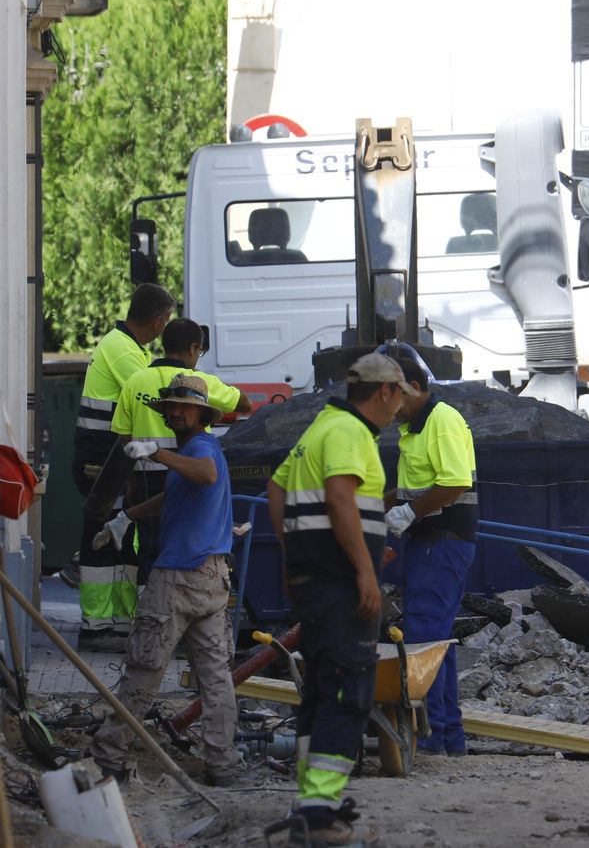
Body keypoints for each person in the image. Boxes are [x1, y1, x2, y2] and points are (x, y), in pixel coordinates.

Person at [266, 353, 417, 845]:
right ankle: (317, 814)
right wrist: (365, 571)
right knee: (348, 691)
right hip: (340, 586)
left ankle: (312, 802)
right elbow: (338, 497)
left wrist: (294, 560)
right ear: (384, 393)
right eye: (399, 397)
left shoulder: (319, 428)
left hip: (315, 581)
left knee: (320, 690)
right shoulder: (350, 434)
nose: (399, 410)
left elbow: (275, 489)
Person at [89, 375, 247, 785]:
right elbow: (178, 492)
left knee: (145, 667)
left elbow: (205, 474)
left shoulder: (201, 448)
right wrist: (129, 516)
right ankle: (223, 763)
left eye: (184, 406)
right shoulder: (192, 452)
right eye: (170, 407)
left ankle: (108, 754)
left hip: (179, 578)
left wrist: (156, 453)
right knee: (215, 679)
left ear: (201, 413)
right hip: (211, 581)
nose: (175, 412)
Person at [106, 318, 252, 588]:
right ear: (194, 348)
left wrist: (132, 484)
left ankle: (150, 605)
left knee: (150, 549)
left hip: (146, 481)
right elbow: (245, 404)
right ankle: (168, 606)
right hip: (190, 477)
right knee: (184, 544)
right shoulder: (200, 382)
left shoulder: (135, 381)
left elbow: (124, 438)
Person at [72, 282, 175, 651]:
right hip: (103, 461)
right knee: (104, 539)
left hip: (110, 460)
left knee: (117, 538)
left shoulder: (124, 346)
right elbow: (152, 395)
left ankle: (112, 623)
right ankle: (98, 626)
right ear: (160, 321)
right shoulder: (124, 351)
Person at [385, 355, 478, 757]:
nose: (391, 406)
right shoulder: (415, 428)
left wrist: (408, 512)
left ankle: (433, 736)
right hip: (431, 542)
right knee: (436, 639)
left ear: (416, 386)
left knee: (424, 638)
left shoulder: (441, 420)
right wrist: (380, 501)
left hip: (442, 542)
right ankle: (447, 736)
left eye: (395, 395)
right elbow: (416, 487)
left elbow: (454, 482)